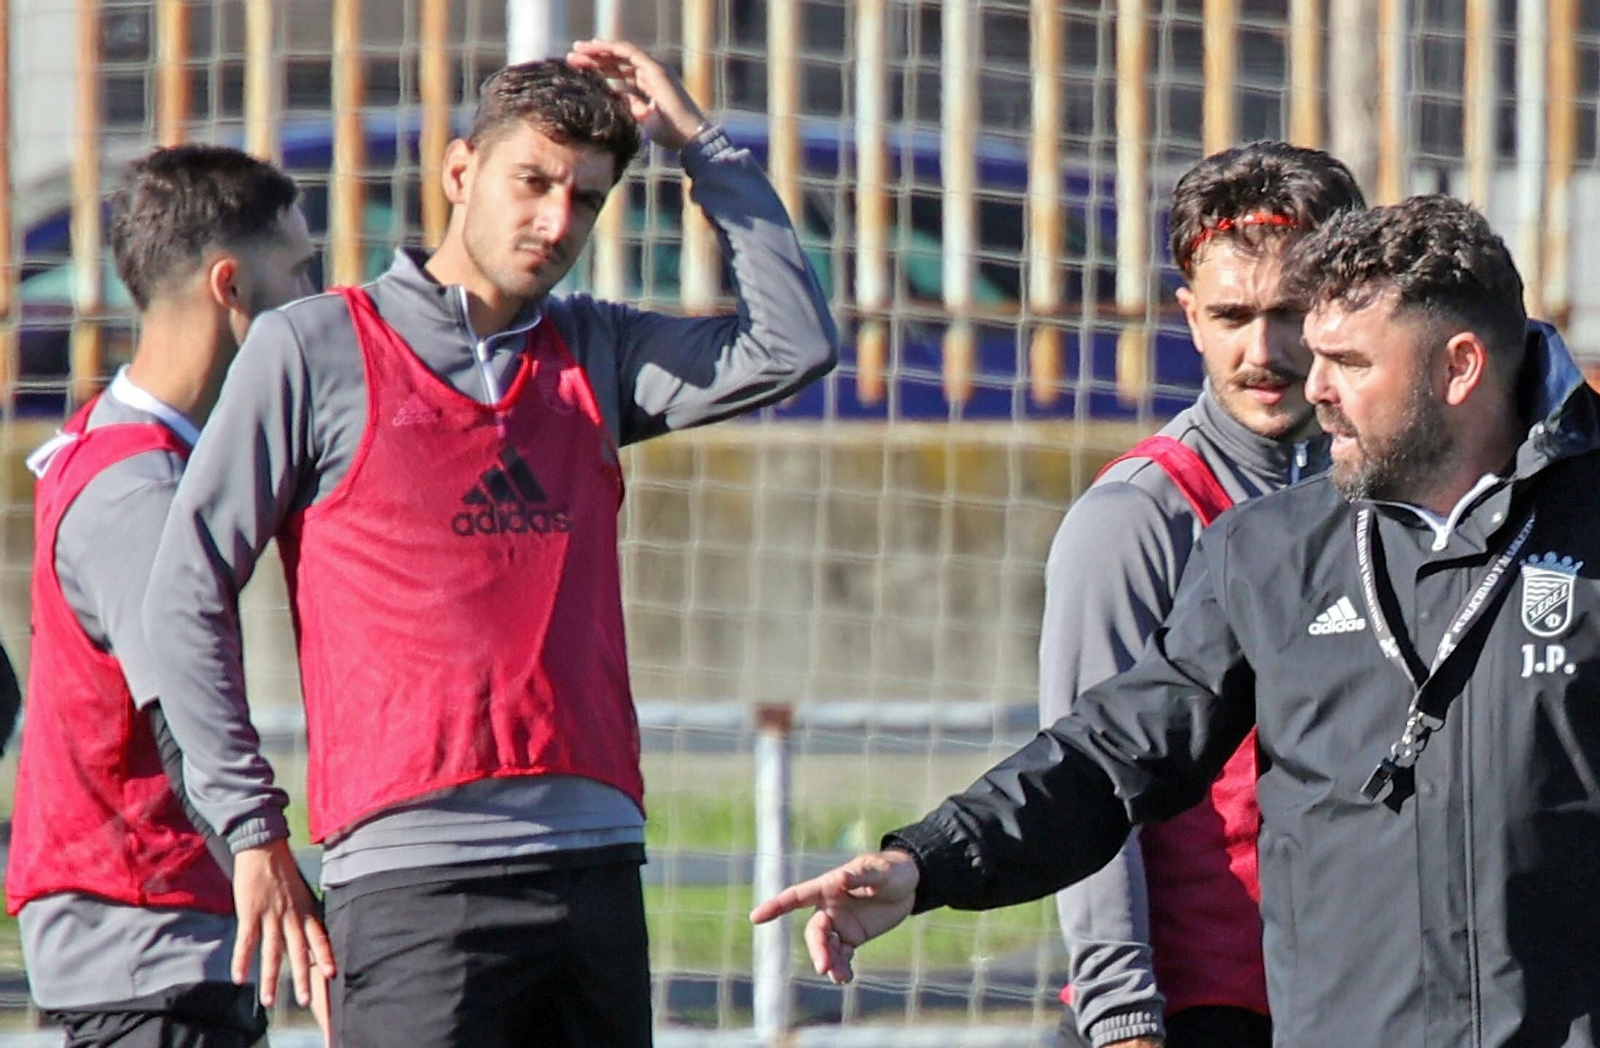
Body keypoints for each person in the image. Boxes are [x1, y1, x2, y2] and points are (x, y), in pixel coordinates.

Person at [754, 194, 1600, 1048]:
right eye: (1316, 356)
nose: (1316, 388)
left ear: (1459, 369)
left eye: (1348, 362)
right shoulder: (1269, 552)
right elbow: (1112, 754)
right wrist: (930, 860)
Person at [143, 39, 837, 1048]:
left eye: (586, 199)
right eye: (534, 181)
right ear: (461, 171)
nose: (557, 221)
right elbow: (182, 595)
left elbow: (793, 345)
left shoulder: (595, 349)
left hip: (595, 863)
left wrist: (701, 145)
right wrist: (250, 828)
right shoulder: (313, 347)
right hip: (413, 882)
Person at [1040, 142, 1361, 1048]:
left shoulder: (1395, 496)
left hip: (1355, 998)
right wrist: (1122, 1016)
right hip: (1203, 1010)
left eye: (1290, 312)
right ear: (1189, 317)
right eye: (1231, 315)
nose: (1262, 352)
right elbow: (1087, 779)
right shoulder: (1137, 516)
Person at [6, 144, 315, 1048]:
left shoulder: (118, 441)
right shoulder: (138, 490)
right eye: (298, 271)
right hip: (151, 945)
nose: (315, 299)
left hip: (162, 947)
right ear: (231, 286)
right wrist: (272, 871)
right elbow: (184, 720)